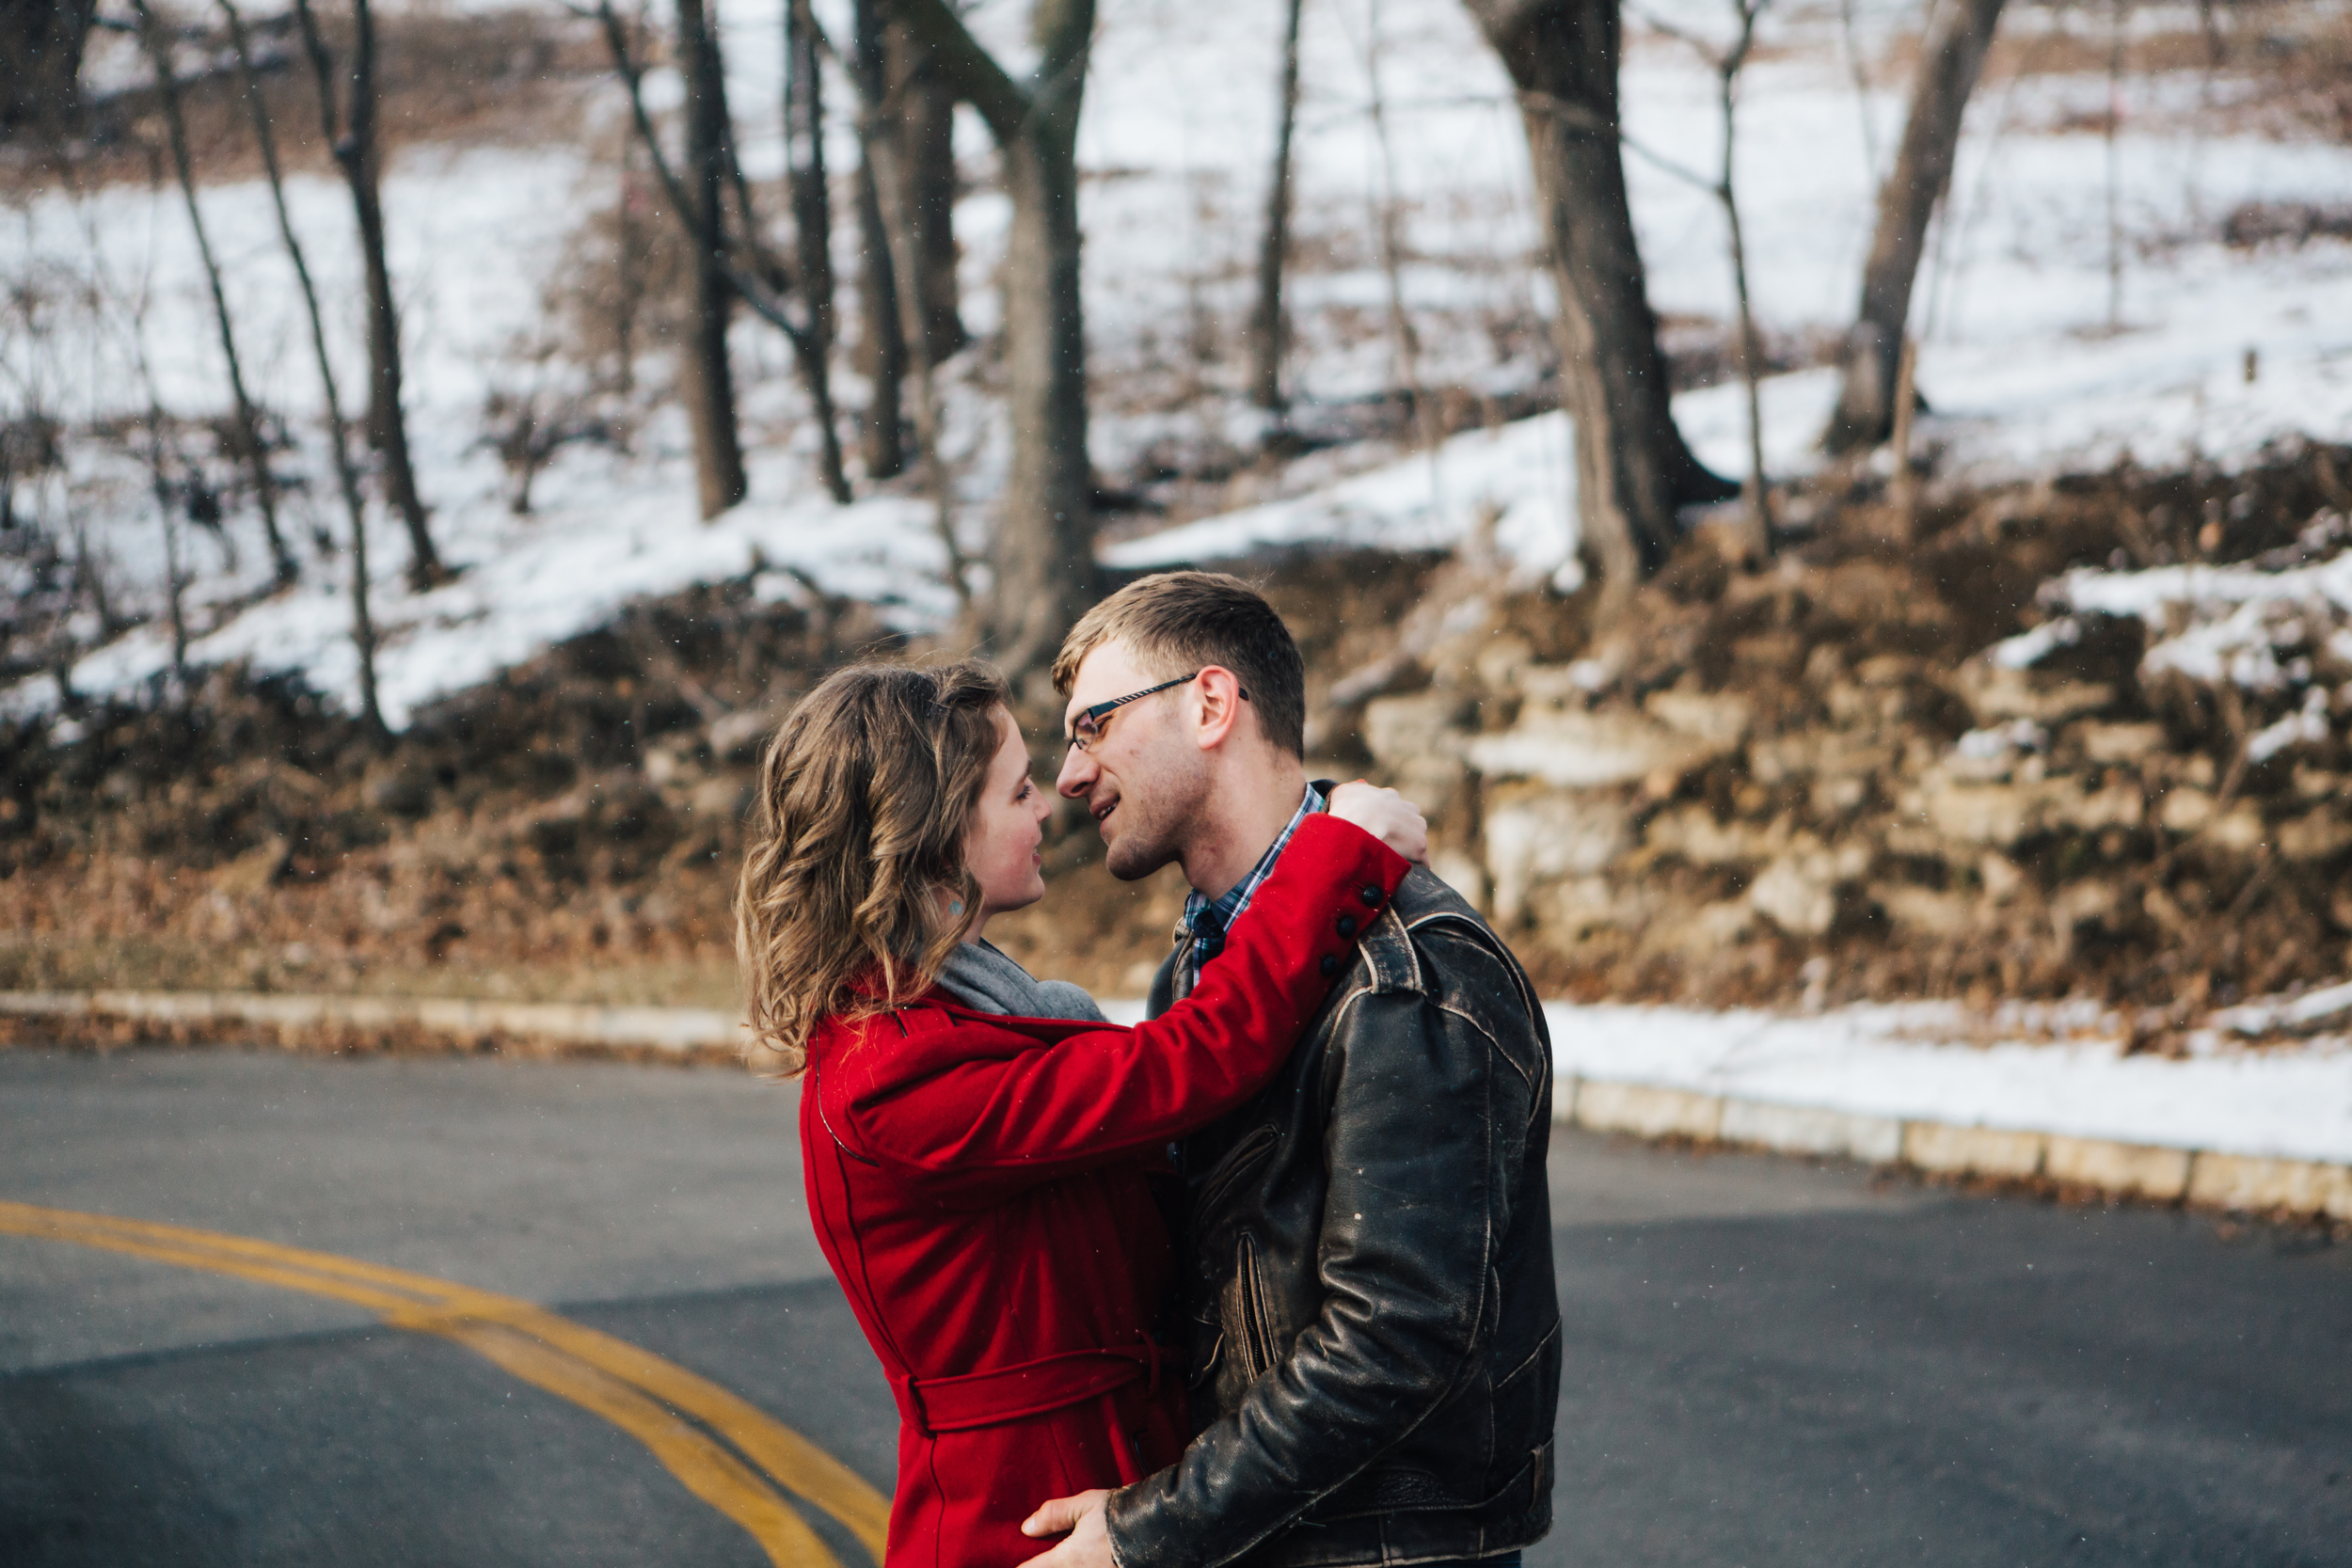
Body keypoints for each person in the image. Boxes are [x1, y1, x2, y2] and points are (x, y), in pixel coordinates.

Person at [733, 658, 1428, 1568]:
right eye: (1017, 791)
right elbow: (1194, 1059)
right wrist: (1340, 858)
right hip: (1026, 1529)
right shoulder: (891, 1074)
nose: (1048, 806)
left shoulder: (979, 1014)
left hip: (1111, 1494)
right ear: (934, 835)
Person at [1022, 572, 1559, 1568]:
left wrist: (1152, 1527)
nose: (1067, 775)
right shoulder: (1196, 969)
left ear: (1211, 703)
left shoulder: (1406, 976)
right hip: (1273, 1536)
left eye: (1091, 725)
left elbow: (1394, 1342)